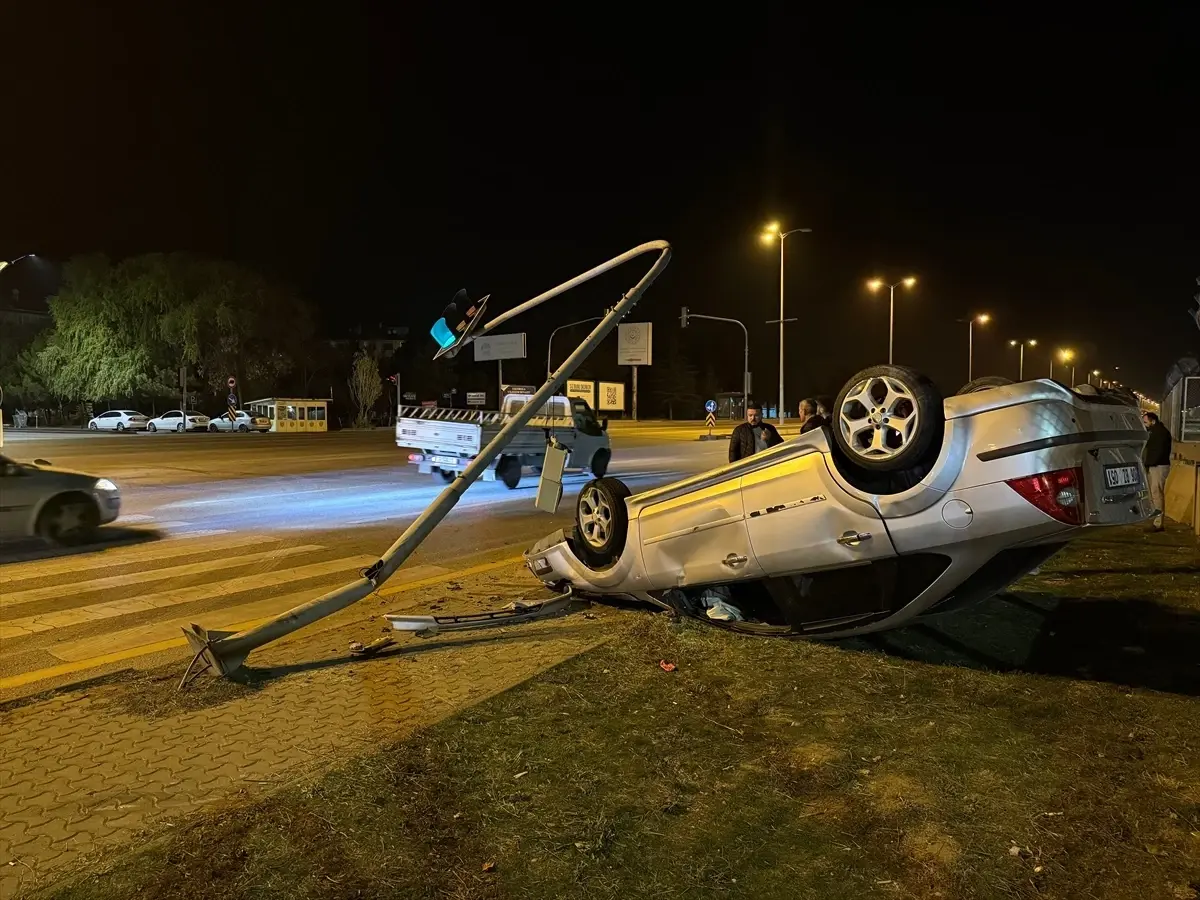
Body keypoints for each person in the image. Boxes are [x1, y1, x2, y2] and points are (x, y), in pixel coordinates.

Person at [1142, 411, 1172, 532]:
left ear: (1152, 421)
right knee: (1155, 493)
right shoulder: (1158, 431)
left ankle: (1158, 523)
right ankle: (1157, 521)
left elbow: (1157, 452)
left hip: (1159, 466)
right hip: (1157, 465)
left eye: (1145, 422)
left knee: (1157, 494)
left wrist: (1148, 464)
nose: (1144, 424)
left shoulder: (1159, 433)